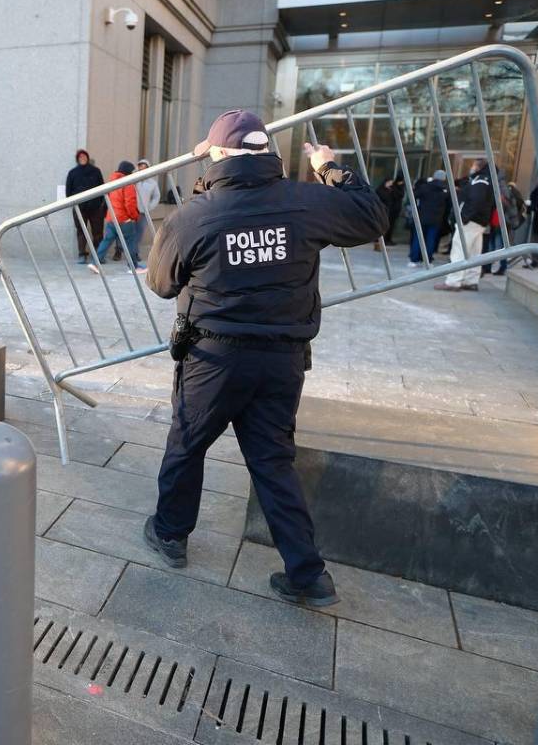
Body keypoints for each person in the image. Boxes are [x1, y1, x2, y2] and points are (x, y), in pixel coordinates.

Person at [143, 109, 387, 607]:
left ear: (215, 156)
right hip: (282, 358)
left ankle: (170, 535)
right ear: (268, 154)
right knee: (273, 461)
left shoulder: (198, 212)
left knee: (187, 444)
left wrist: (200, 179)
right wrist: (329, 167)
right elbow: (372, 216)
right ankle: (307, 573)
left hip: (213, 358)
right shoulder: (307, 201)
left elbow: (162, 282)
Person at [435, 159, 495, 292]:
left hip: (470, 221)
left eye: (473, 165)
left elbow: (475, 201)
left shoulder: (480, 181)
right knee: (474, 253)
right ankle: (470, 280)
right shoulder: (487, 180)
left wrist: (464, 217)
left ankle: (453, 282)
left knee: (459, 250)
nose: (471, 167)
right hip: (478, 221)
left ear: (479, 167)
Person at [89, 161, 146, 274]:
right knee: (130, 241)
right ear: (128, 172)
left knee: (106, 241)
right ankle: (134, 266)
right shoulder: (127, 183)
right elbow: (129, 203)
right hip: (124, 219)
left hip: (111, 218)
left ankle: (95, 263)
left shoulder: (113, 181)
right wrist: (134, 216)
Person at [66, 149, 107, 263]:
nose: (82, 159)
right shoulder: (72, 173)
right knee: (81, 231)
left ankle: (98, 254)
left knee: (98, 232)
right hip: (80, 208)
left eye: (84, 157)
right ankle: (82, 254)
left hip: (95, 207)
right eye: (80, 157)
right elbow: (68, 192)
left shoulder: (96, 171)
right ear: (77, 159)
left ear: (87, 158)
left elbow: (102, 188)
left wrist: (100, 203)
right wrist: (75, 202)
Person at [408, 170, 449, 267]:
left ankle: (414, 259)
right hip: (436, 218)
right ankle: (428, 260)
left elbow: (414, 195)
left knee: (418, 238)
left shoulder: (425, 187)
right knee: (431, 239)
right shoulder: (446, 189)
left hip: (422, 217)